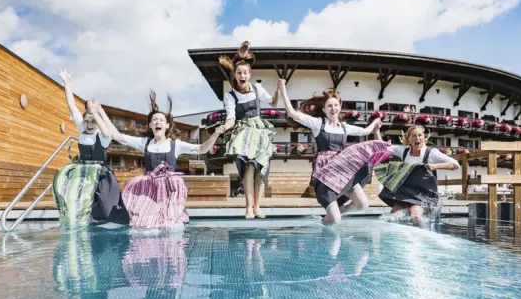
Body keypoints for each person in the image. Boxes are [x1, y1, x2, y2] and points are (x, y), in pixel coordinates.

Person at [99, 90, 222, 229]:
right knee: (144, 225)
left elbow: (202, 149)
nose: (158, 122)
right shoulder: (144, 143)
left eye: (161, 120)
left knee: (169, 224)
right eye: (154, 120)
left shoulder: (176, 145)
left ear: (167, 126)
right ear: (151, 125)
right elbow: (117, 136)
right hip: (150, 190)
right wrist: (101, 112)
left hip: (170, 189)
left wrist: (215, 134)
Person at [280, 84, 389, 225]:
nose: (333, 108)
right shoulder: (318, 124)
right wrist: (283, 90)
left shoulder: (345, 127)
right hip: (327, 174)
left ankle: (339, 211)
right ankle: (327, 221)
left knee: (363, 204)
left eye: (336, 105)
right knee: (335, 220)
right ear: (324, 110)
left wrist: (375, 122)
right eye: (329, 106)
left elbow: (365, 132)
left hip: (343, 171)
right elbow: (293, 113)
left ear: (340, 107)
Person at [53, 68, 127, 228]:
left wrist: (96, 113)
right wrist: (67, 83)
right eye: (87, 121)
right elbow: (71, 105)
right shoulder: (82, 130)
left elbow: (107, 132)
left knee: (106, 208)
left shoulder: (102, 136)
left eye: (93, 122)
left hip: (101, 175)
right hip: (82, 173)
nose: (89, 124)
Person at [215, 41, 280, 219]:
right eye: (239, 73)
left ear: (250, 74)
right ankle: (248, 208)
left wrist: (278, 90)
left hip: (260, 132)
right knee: (249, 168)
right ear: (234, 75)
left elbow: (273, 103)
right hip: (244, 133)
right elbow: (231, 118)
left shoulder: (258, 88)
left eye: (245, 72)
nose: (242, 75)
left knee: (261, 168)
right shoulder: (230, 96)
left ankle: (257, 207)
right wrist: (224, 127)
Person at [373, 124, 460, 223]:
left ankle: (423, 236)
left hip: (423, 194)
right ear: (409, 139)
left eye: (420, 135)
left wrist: (435, 166)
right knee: (394, 215)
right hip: (405, 193)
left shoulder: (431, 153)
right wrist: (376, 131)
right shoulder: (404, 151)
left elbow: (456, 164)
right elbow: (382, 148)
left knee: (415, 216)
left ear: (424, 137)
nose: (417, 138)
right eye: (414, 136)